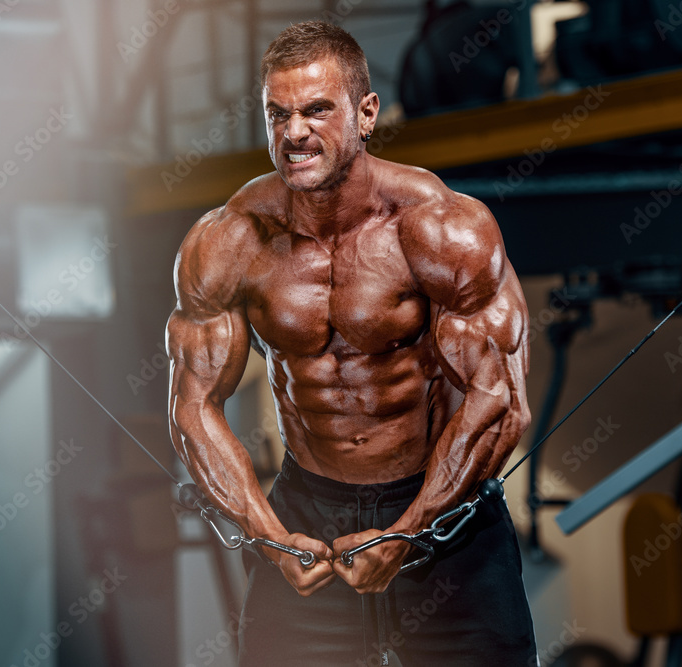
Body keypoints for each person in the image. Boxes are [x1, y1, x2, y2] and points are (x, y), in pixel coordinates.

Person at [166, 20, 536, 667]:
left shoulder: (441, 228)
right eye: (276, 114)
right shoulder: (229, 240)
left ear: (366, 114)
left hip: (445, 515)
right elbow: (192, 407)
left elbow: (500, 403)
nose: (293, 132)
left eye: (315, 110)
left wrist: (408, 533)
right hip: (308, 511)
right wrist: (268, 536)